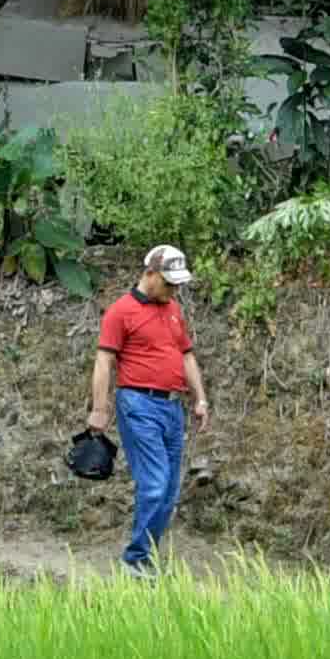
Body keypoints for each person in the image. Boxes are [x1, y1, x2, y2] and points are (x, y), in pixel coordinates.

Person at [89, 242, 210, 574]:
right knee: (154, 485)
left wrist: (199, 398)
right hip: (138, 404)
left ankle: (147, 558)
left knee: (169, 491)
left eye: (178, 284)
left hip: (172, 408)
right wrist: (99, 410)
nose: (174, 289)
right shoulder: (121, 311)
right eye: (169, 283)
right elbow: (104, 360)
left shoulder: (172, 309)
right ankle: (136, 559)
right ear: (150, 273)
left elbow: (186, 355)